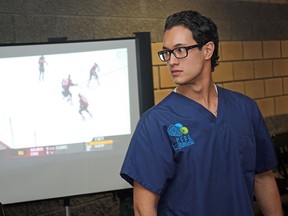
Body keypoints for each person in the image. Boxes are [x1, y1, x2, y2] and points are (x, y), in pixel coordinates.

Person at [120, 10, 283, 216]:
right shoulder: (155, 123)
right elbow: (143, 208)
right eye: (167, 52)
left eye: (180, 50)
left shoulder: (245, 108)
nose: (171, 61)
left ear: (207, 50)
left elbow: (263, 177)